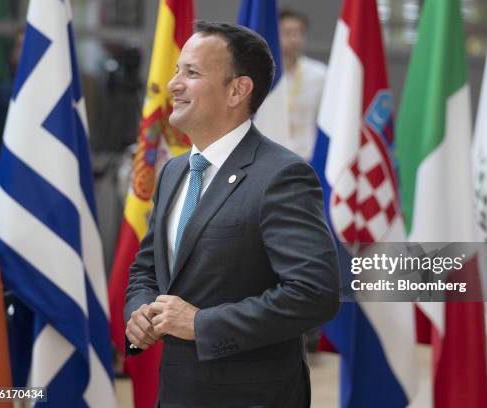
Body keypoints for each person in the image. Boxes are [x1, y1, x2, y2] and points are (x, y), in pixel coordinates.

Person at [125, 21, 340, 408]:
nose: (174, 84)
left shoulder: (281, 175)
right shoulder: (174, 171)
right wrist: (139, 310)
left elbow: (315, 294)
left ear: (238, 90)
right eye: (176, 70)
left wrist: (202, 325)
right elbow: (146, 268)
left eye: (191, 73)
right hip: (176, 393)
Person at [279, 9, 327, 161]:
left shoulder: (319, 74)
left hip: (306, 157)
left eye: (299, 33)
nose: (294, 39)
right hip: (268, 155)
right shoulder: (260, 72)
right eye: (288, 33)